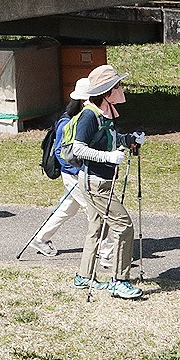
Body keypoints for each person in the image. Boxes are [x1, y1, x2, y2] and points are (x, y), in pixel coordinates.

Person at [68, 64, 144, 300]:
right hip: (95, 183)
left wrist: (127, 139)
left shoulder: (104, 113)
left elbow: (109, 139)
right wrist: (108, 157)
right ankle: (119, 281)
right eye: (118, 85)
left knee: (96, 229)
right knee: (124, 226)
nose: (122, 89)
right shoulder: (90, 115)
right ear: (108, 91)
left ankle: (83, 277)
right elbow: (78, 149)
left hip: (99, 181)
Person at [29, 78, 114, 266]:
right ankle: (106, 253)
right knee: (98, 211)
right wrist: (76, 170)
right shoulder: (67, 123)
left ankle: (40, 239)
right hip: (75, 176)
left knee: (67, 209)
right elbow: (60, 152)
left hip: (81, 174)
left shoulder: (84, 118)